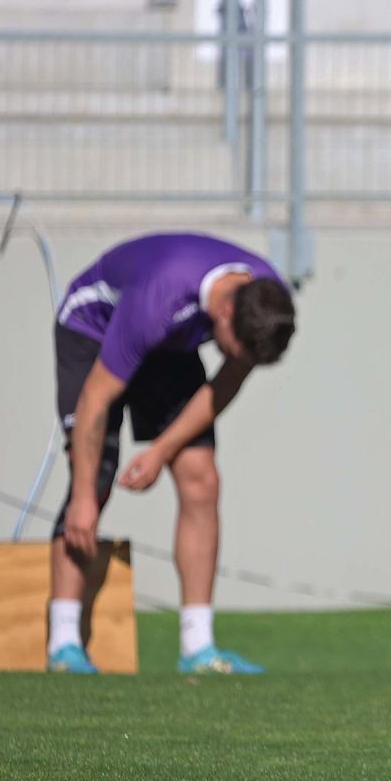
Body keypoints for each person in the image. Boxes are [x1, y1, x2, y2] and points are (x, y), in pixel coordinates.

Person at [47, 232, 295, 675]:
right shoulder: (159, 299)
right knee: (94, 479)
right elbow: (95, 400)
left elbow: (225, 384)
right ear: (225, 312)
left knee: (201, 477)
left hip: (170, 344)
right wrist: (84, 496)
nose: (240, 362)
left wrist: (161, 452)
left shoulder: (264, 301)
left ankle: (198, 648)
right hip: (93, 330)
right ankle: (63, 645)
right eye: (237, 353)